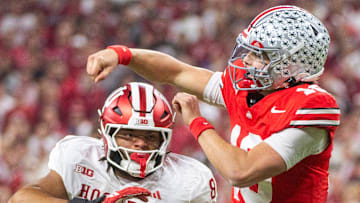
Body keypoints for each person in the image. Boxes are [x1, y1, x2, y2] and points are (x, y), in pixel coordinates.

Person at [86, 5, 341, 202]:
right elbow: (176, 73)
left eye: (260, 55)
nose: (248, 61)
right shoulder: (251, 87)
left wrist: (197, 122)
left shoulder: (311, 107)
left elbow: (241, 171)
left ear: (292, 66)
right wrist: (122, 54)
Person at [9, 82, 218, 203]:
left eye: (150, 136)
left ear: (164, 138)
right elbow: (21, 199)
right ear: (107, 134)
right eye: (129, 135)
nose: (140, 144)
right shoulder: (80, 156)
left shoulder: (191, 179)